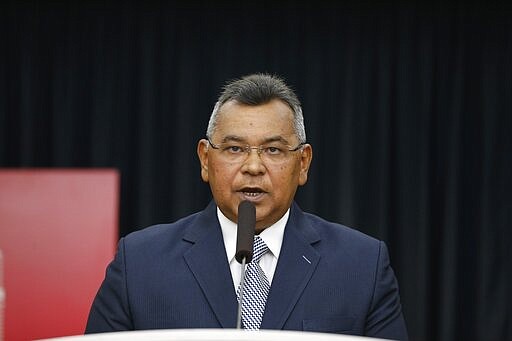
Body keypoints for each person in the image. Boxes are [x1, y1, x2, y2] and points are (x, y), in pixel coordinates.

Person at [85, 73, 408, 340]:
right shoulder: (140, 263)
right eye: (235, 148)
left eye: (273, 150)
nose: (253, 166)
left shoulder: (362, 266)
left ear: (304, 163)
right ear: (205, 160)